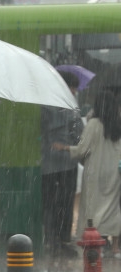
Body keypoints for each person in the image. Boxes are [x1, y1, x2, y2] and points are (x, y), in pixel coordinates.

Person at [54, 90, 121, 257]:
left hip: (95, 172)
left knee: (93, 207)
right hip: (114, 172)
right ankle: (115, 247)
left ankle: (97, 243)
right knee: (113, 207)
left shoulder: (94, 124)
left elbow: (82, 149)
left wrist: (64, 147)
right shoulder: (117, 124)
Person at [41, 71, 83, 259]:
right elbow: (78, 134)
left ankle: (52, 240)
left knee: (51, 203)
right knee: (64, 203)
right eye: (72, 87)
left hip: (48, 164)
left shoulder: (44, 104)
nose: (74, 91)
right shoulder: (72, 107)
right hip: (66, 164)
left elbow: (41, 132)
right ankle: (61, 240)